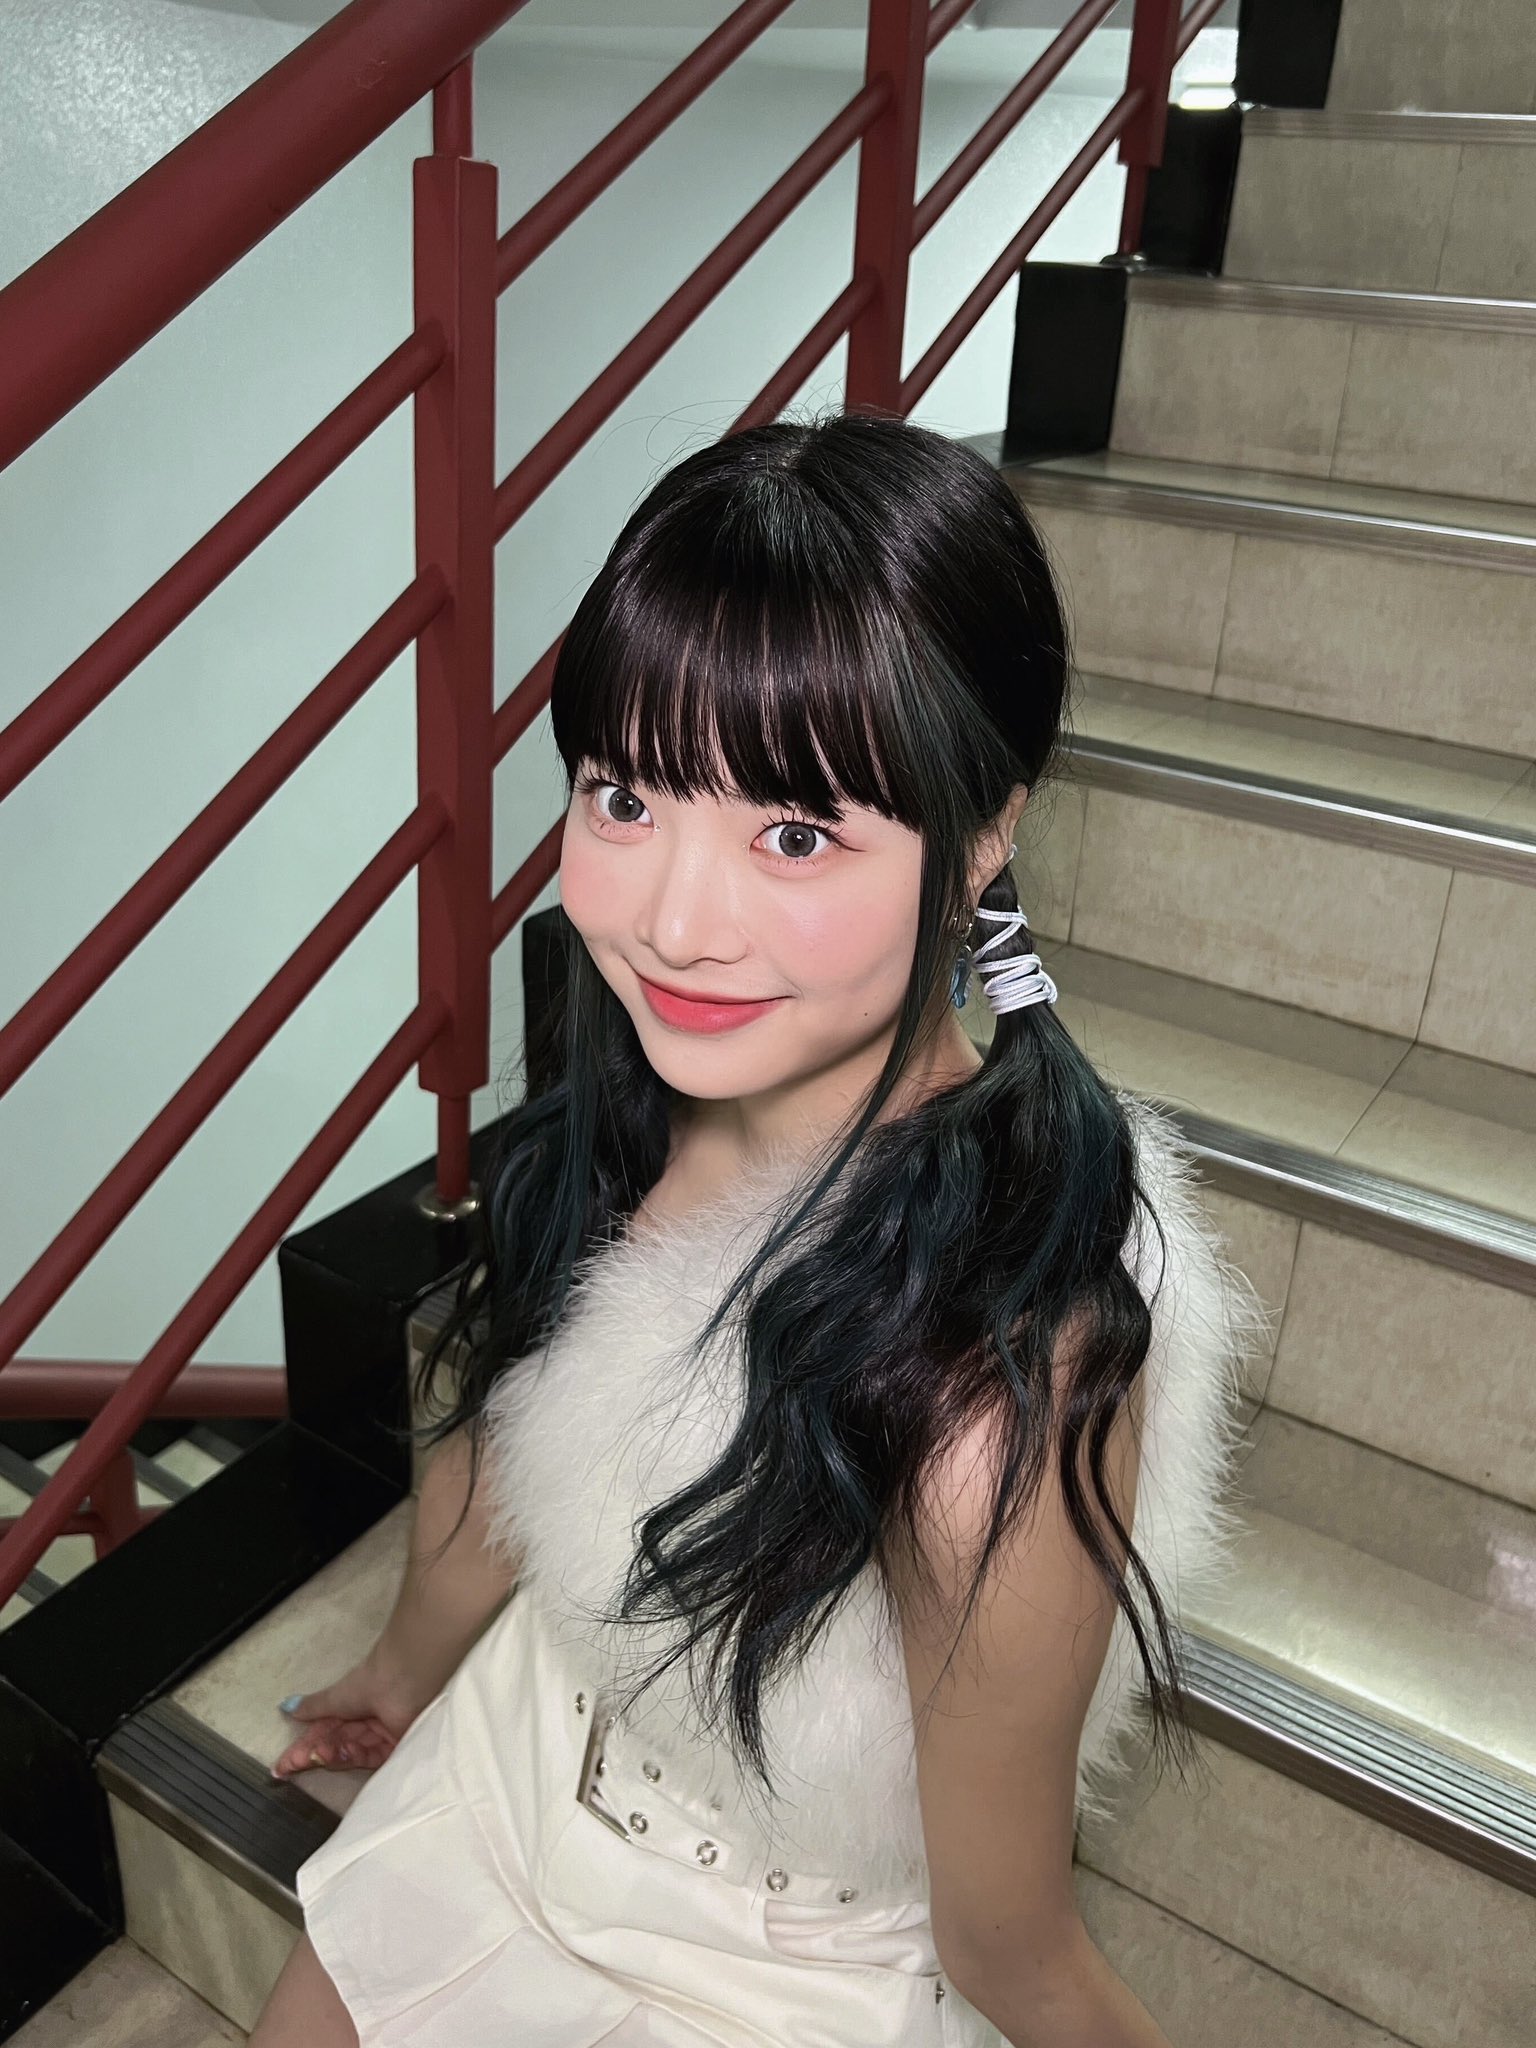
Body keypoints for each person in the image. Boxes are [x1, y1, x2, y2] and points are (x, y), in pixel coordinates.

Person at [249, 409, 1268, 2048]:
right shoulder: (647, 1070)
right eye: (624, 794)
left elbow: (1017, 1951)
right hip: (507, 1760)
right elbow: (532, 1406)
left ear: (983, 835)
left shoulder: (995, 1374)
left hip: (764, 1967)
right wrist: (405, 1665)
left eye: (795, 834)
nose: (670, 920)